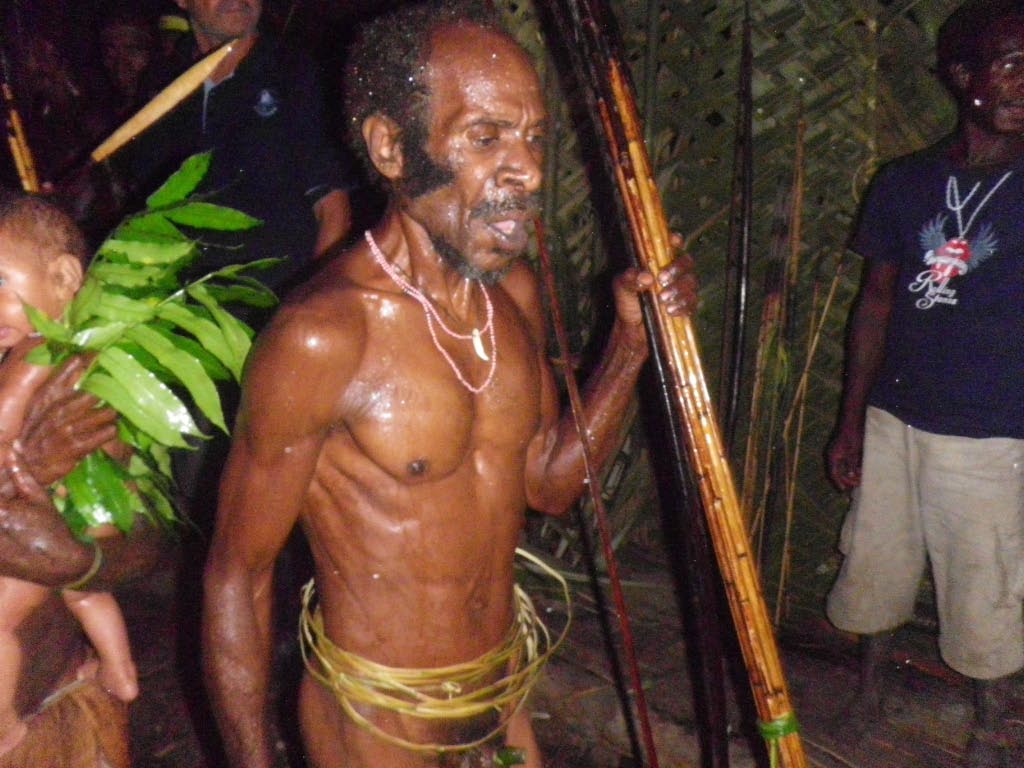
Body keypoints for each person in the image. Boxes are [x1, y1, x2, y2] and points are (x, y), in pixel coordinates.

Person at [201, 2, 698, 767]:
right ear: (392, 148)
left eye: (534, 138)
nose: (530, 171)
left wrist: (631, 344)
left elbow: (549, 484)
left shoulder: (514, 297)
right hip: (377, 725)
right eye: (485, 136)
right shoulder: (323, 337)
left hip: (500, 698)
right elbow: (238, 574)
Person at [825, 1, 1024, 765]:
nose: (1023, 83)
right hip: (894, 415)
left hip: (992, 427)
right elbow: (875, 303)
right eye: (1010, 64)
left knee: (985, 579)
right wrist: (851, 419)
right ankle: (870, 692)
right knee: (874, 561)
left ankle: (990, 724)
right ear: (961, 74)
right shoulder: (905, 181)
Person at [0, 193, 139, 759]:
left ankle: (5, 727)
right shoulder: (93, 351)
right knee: (86, 594)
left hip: (43, 524)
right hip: (85, 513)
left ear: (63, 278)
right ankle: (120, 670)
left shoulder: (33, 354)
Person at [118, 0, 354, 297]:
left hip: (277, 301)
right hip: (185, 308)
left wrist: (313, 303)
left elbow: (333, 208)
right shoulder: (161, 84)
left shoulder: (295, 72)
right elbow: (148, 213)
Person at [0, 348, 164, 767]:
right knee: (84, 595)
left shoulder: (56, 360)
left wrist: (84, 561)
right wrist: (27, 465)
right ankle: (120, 672)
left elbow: (140, 531)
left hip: (57, 692)